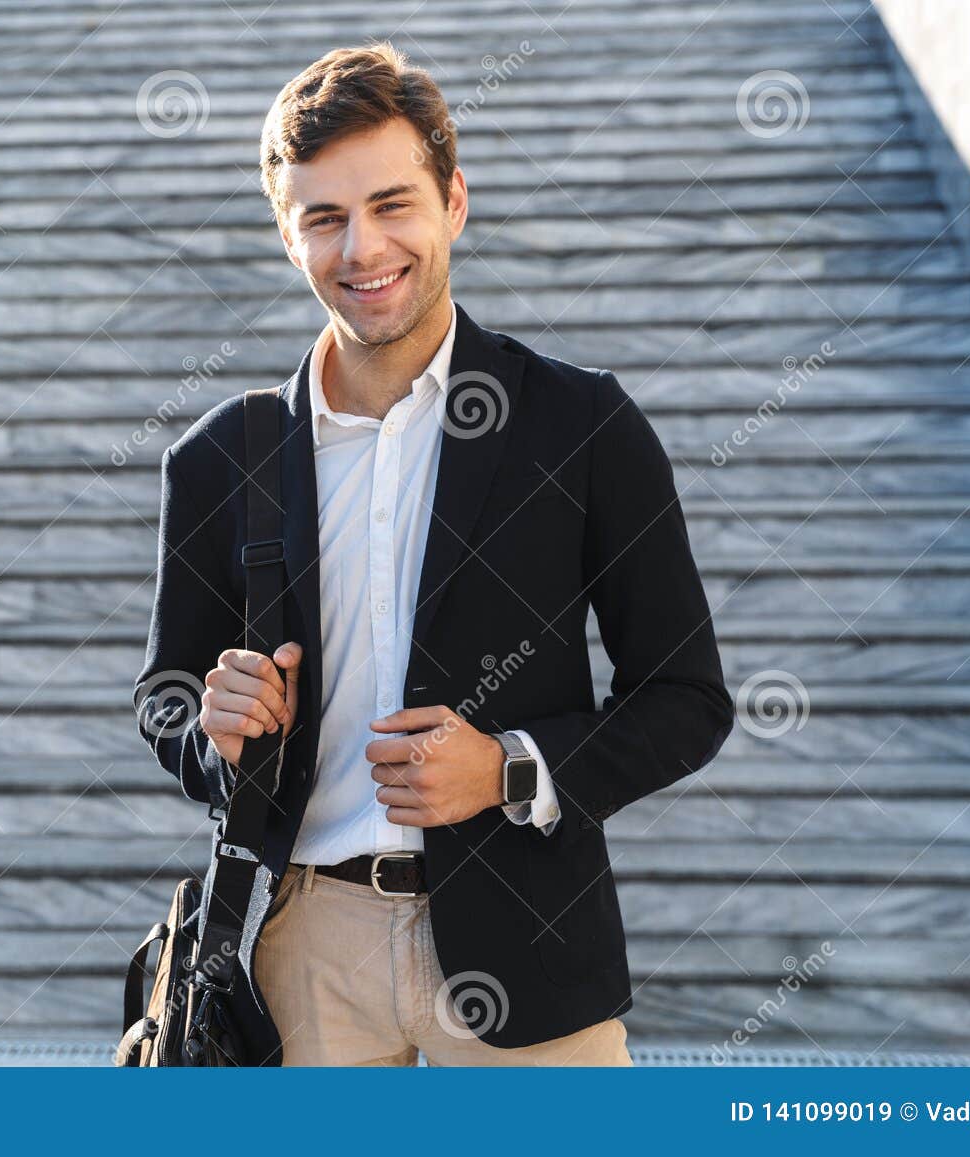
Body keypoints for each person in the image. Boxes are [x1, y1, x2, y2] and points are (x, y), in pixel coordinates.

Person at [136, 41, 733, 1066]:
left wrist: (508, 767)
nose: (362, 247)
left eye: (392, 204)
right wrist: (214, 730)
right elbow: (167, 701)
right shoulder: (216, 458)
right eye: (324, 217)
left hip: (531, 944)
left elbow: (687, 698)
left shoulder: (582, 425)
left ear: (454, 201)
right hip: (302, 955)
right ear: (287, 234)